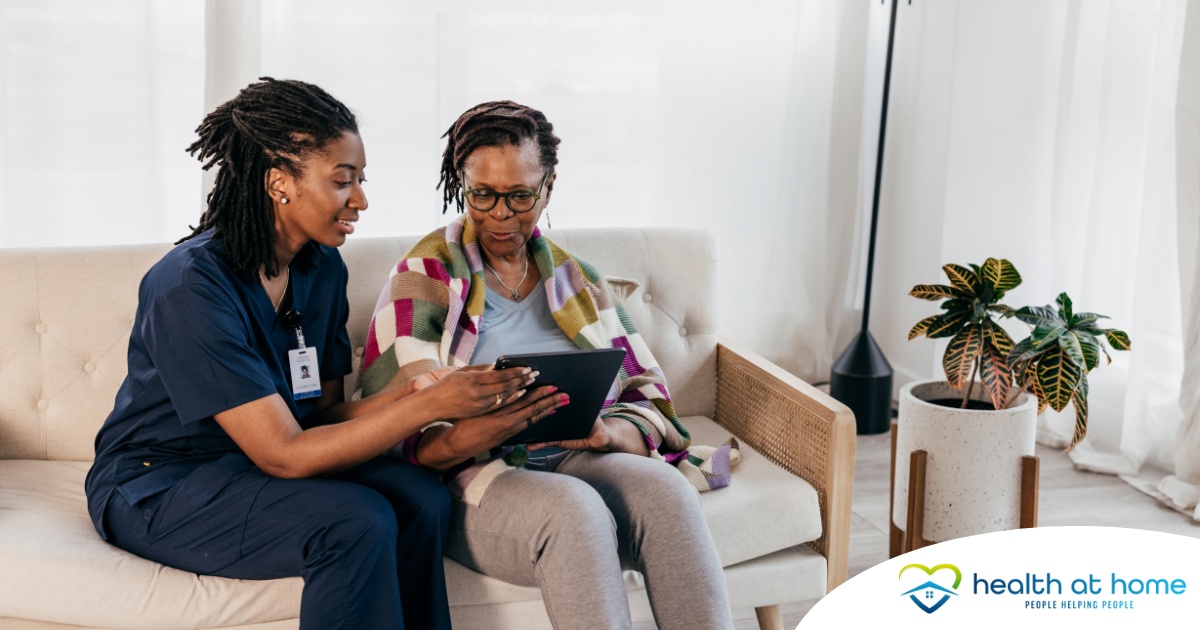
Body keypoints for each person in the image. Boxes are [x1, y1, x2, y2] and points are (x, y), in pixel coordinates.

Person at [84, 80, 565, 630]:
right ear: (278, 183)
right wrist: (422, 410)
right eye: (343, 181)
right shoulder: (190, 287)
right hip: (162, 485)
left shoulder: (322, 268)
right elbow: (284, 454)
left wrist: (418, 392)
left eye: (360, 180)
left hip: (253, 467)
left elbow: (321, 417)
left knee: (421, 500)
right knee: (354, 521)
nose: (360, 199)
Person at [358, 101, 736, 630]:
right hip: (476, 475)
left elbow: (650, 397)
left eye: (520, 196)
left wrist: (607, 434)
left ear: (548, 187)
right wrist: (484, 426)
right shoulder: (424, 275)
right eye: (482, 195)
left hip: (578, 457)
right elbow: (400, 425)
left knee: (667, 492)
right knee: (573, 511)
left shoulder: (576, 278)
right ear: (460, 184)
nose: (500, 215)